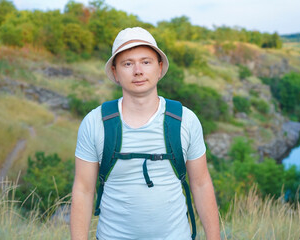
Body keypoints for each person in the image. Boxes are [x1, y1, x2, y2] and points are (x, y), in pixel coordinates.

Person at [70, 27, 220, 240]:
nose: (138, 71)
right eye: (127, 63)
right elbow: (83, 190)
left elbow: (201, 183)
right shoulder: (95, 123)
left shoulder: (185, 120)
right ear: (115, 72)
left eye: (146, 62)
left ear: (159, 68)